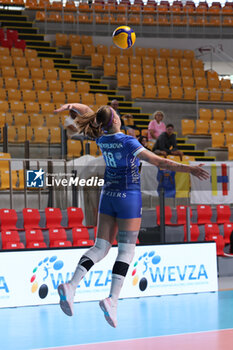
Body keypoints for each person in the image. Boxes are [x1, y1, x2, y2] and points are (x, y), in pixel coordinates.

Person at [54, 103, 209, 328]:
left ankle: (71, 285)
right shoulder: (127, 141)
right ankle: (112, 300)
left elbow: (87, 111)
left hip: (108, 195)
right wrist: (190, 169)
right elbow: (159, 161)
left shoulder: (102, 138)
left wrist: (70, 106)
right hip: (128, 196)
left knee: (100, 247)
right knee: (126, 250)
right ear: (115, 120)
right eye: (116, 114)